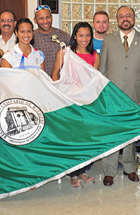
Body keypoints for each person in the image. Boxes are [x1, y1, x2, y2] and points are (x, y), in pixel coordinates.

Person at [99, 6, 140, 186]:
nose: (125, 19)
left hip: (134, 93)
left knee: (130, 131)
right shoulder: (108, 40)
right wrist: (102, 94)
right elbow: (102, 70)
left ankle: (129, 167)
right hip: (112, 94)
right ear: (117, 20)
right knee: (112, 131)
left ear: (134, 18)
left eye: (128, 15)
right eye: (121, 16)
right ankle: (109, 170)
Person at [51, 22, 99, 188]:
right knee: (72, 139)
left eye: (87, 35)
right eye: (81, 35)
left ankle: (84, 170)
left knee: (87, 139)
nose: (84, 39)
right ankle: (72, 173)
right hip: (69, 102)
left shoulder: (95, 56)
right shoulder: (65, 53)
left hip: (86, 104)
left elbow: (95, 82)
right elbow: (55, 74)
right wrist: (61, 96)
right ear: (75, 36)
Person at [32, 5, 70, 76]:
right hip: (39, 81)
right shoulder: (31, 37)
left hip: (61, 82)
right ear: (35, 20)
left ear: (51, 17)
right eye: (41, 18)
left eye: (47, 17)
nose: (45, 21)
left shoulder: (64, 36)